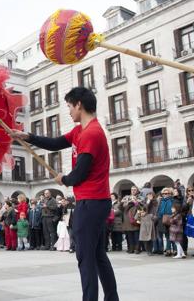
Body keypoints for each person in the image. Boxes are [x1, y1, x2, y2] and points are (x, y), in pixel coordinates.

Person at [11, 87, 118, 301]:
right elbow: (56, 143)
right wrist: (28, 136)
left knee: (85, 257)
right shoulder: (81, 131)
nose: (68, 111)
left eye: (69, 106)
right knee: (97, 255)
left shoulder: (92, 133)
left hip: (91, 202)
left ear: (79, 104)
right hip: (94, 202)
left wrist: (64, 180)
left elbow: (80, 173)